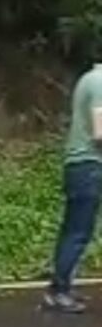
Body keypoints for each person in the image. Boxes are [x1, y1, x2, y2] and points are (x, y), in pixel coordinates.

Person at [46, 64, 102, 313]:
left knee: (73, 230)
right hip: (89, 165)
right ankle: (59, 291)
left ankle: (60, 287)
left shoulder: (90, 78)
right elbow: (100, 133)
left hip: (80, 165)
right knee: (78, 232)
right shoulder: (101, 83)